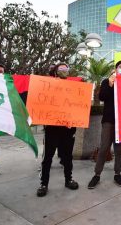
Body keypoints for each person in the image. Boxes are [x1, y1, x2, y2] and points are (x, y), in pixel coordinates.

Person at [36, 63, 79, 197]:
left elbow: (77, 106)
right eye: (61, 69)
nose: (64, 71)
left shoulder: (72, 88)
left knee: (67, 156)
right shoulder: (48, 85)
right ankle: (44, 184)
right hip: (52, 129)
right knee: (48, 157)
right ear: (55, 71)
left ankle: (68, 179)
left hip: (68, 129)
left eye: (66, 69)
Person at [87, 60, 121, 189]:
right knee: (104, 148)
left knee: (120, 149)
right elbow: (103, 97)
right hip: (109, 121)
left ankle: (117, 173)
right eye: (120, 67)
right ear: (115, 69)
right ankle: (97, 175)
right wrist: (111, 83)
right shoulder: (106, 82)